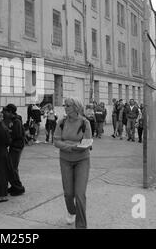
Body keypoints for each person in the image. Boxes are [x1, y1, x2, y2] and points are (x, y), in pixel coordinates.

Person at [54, 98, 92, 229]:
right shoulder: (61, 122)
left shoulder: (85, 122)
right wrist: (71, 146)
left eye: (68, 105)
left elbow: (87, 142)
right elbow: (56, 141)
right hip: (65, 160)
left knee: (80, 194)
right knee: (68, 193)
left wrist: (68, 144)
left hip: (82, 160)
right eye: (64, 105)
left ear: (76, 107)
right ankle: (71, 211)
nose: (65, 107)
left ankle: (81, 226)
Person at [3, 104, 26, 196]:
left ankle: (18, 187)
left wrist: (8, 133)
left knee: (12, 167)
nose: (4, 113)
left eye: (6, 112)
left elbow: (17, 135)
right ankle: (14, 186)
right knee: (11, 167)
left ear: (11, 112)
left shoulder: (16, 121)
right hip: (14, 146)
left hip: (17, 147)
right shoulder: (12, 120)